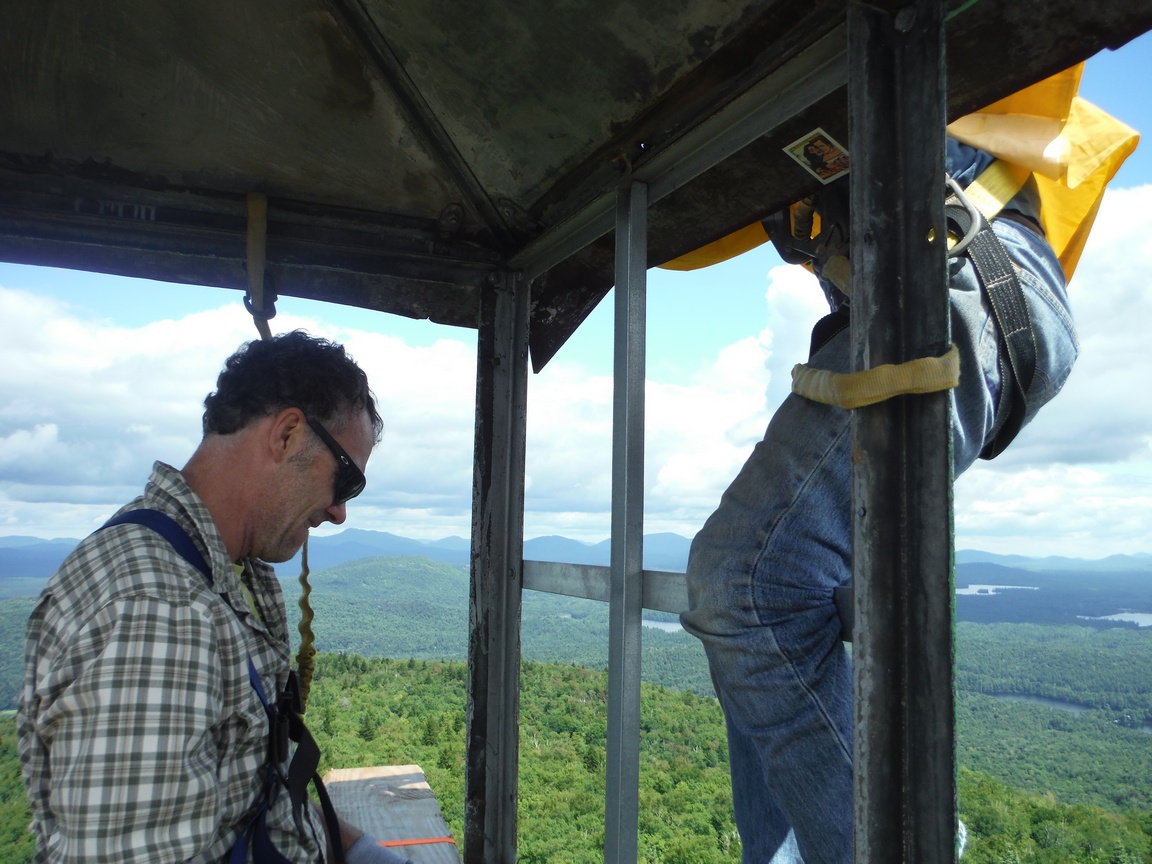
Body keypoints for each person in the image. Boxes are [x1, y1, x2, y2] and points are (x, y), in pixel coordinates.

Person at [680, 137, 1082, 863]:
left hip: (962, 274)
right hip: (945, 284)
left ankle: (903, 841)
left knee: (747, 582)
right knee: (755, 613)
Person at [19, 331, 414, 863]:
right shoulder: (158, 614)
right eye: (346, 481)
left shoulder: (219, 567)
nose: (340, 511)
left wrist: (355, 850)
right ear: (288, 434)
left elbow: (253, 796)